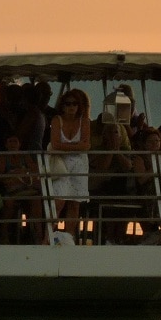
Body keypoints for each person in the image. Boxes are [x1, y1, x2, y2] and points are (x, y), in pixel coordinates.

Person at [47, 88, 91, 236]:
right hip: (62, 166)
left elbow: (86, 145)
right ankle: (48, 237)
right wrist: (76, 147)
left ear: (79, 106)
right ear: (62, 106)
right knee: (58, 202)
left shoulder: (84, 121)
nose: (71, 106)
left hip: (79, 166)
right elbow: (55, 144)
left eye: (75, 104)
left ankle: (69, 237)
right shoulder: (56, 120)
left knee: (74, 204)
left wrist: (66, 147)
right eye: (68, 104)